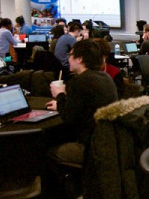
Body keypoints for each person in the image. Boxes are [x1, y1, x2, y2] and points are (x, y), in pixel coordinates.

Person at [46, 39, 119, 170]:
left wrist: (60, 94)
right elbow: (83, 108)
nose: (68, 59)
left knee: (46, 149)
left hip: (91, 148)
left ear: (79, 59)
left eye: (70, 55)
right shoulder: (105, 77)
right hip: (109, 142)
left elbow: (70, 119)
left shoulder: (80, 82)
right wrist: (61, 104)